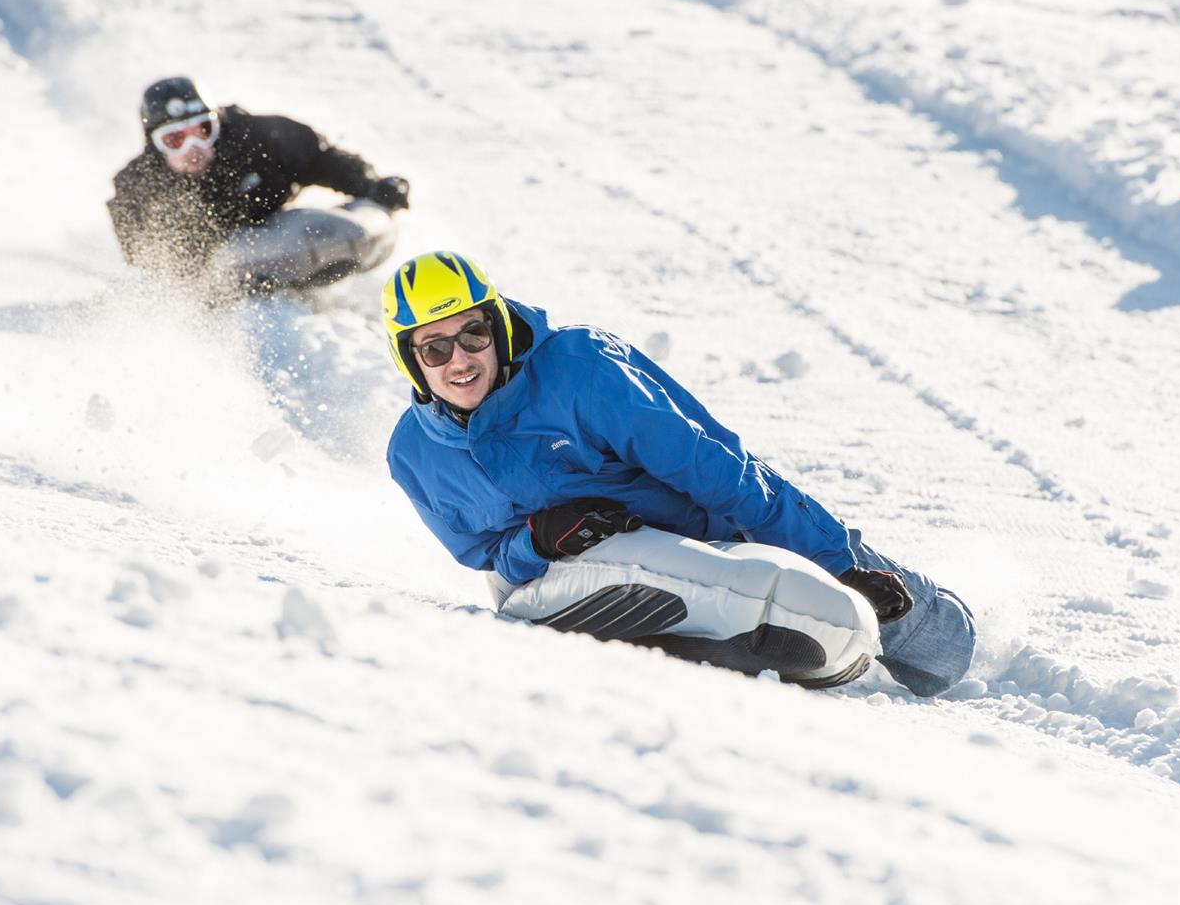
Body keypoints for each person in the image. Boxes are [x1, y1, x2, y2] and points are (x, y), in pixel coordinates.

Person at [381, 251, 977, 695]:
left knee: (941, 653)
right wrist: (539, 540)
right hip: (568, 573)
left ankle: (916, 617)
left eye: (473, 334)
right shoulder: (415, 455)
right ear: (410, 361)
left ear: (498, 328)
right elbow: (487, 556)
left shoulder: (581, 373)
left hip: (719, 528)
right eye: (435, 349)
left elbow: (719, 473)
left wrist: (837, 564)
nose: (460, 359)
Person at [107, 76, 410, 298]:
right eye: (175, 139)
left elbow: (321, 158)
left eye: (203, 130)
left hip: (279, 232)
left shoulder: (256, 139)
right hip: (218, 267)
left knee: (353, 230)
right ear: (155, 145)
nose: (193, 147)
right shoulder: (140, 187)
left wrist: (373, 186)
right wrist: (201, 273)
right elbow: (144, 255)